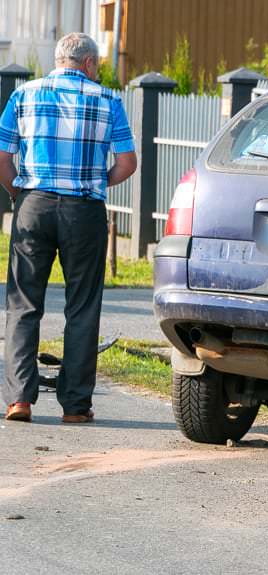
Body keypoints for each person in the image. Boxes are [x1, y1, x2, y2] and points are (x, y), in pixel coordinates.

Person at [0, 33, 137, 423]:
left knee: (24, 303)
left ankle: (19, 400)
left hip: (33, 205)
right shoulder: (107, 99)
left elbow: (2, 155)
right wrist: (95, 183)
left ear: (59, 61)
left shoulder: (23, 95)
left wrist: (18, 192)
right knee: (82, 307)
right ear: (90, 63)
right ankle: (76, 406)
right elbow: (127, 163)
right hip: (84, 211)